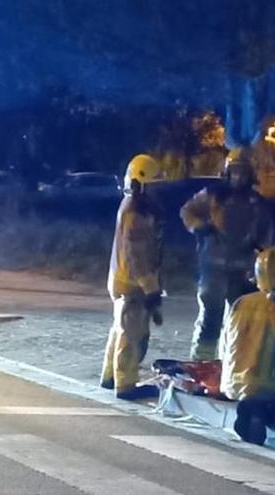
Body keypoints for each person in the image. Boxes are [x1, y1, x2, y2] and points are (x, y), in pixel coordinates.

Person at [181, 149, 273, 360]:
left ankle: (230, 365)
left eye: (243, 172)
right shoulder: (213, 195)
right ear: (227, 172)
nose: (238, 177)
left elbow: (265, 236)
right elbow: (187, 211)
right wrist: (200, 227)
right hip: (212, 268)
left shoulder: (257, 203)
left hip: (242, 271)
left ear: (250, 174)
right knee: (210, 319)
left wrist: (260, 264)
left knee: (239, 321)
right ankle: (201, 362)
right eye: (235, 171)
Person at [100, 154, 165, 400]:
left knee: (120, 329)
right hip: (132, 283)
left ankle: (110, 376)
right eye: (153, 185)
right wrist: (151, 288)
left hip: (122, 279)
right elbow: (138, 255)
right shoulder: (137, 214)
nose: (156, 191)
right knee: (132, 334)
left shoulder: (130, 206)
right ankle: (125, 384)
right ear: (140, 184)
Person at [219, 247, 275, 444]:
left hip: (236, 381)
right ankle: (260, 413)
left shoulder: (241, 302)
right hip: (271, 383)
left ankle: (251, 408)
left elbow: (226, 342)